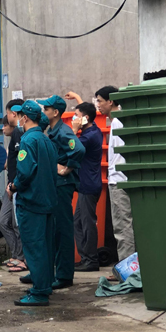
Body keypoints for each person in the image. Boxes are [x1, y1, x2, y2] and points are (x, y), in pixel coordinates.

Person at [9, 101, 58, 306]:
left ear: (25, 118)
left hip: (32, 202)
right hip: (47, 200)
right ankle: (44, 284)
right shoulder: (46, 140)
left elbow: (26, 171)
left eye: (20, 116)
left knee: (34, 247)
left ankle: (39, 292)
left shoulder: (28, 140)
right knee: (45, 247)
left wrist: (14, 186)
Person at [38, 95, 85, 290]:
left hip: (62, 184)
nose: (44, 112)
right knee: (56, 229)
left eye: (46, 109)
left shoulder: (63, 131)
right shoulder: (54, 130)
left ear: (55, 112)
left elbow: (79, 149)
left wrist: (67, 168)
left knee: (63, 230)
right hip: (56, 184)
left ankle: (65, 275)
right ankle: (58, 272)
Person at [95, 87, 135, 261]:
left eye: (100, 101)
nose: (98, 106)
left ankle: (127, 269)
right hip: (119, 179)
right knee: (123, 225)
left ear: (110, 102)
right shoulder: (118, 121)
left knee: (122, 227)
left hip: (119, 180)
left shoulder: (118, 122)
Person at [68, 102, 104, 272]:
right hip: (86, 184)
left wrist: (73, 131)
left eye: (76, 115)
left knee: (87, 223)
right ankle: (85, 258)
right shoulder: (93, 129)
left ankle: (91, 260)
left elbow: (73, 149)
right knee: (78, 223)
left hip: (88, 185)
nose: (74, 118)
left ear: (85, 118)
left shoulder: (88, 137)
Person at [0, 99, 26, 272]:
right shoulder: (16, 135)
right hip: (12, 185)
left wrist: (14, 185)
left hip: (17, 186)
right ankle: (17, 255)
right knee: (3, 221)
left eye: (8, 113)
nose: (3, 126)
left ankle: (23, 258)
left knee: (18, 224)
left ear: (14, 114)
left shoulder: (20, 133)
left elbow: (22, 165)